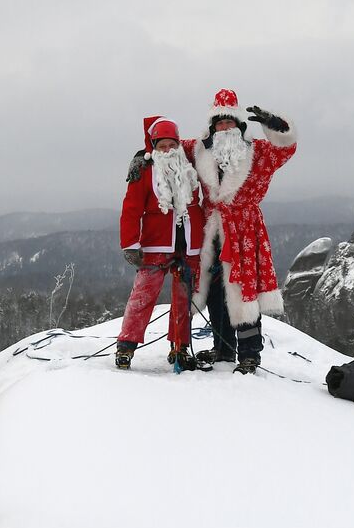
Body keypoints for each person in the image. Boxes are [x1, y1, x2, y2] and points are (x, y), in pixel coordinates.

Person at [180, 89, 297, 374]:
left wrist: (275, 125)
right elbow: (165, 145)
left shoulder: (258, 151)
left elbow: (286, 148)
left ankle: (249, 354)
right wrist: (144, 155)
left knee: (245, 292)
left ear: (239, 125)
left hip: (244, 230)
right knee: (216, 292)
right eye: (219, 123)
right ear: (212, 127)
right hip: (212, 230)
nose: (225, 127)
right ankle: (223, 350)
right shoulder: (197, 150)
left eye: (230, 122)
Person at [115, 116, 204, 371]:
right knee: (142, 297)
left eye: (171, 145)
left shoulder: (189, 166)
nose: (167, 150)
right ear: (153, 147)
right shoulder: (143, 172)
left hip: (188, 245)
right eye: (162, 146)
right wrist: (130, 243)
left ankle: (180, 347)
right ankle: (126, 346)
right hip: (155, 246)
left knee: (184, 300)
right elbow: (131, 209)